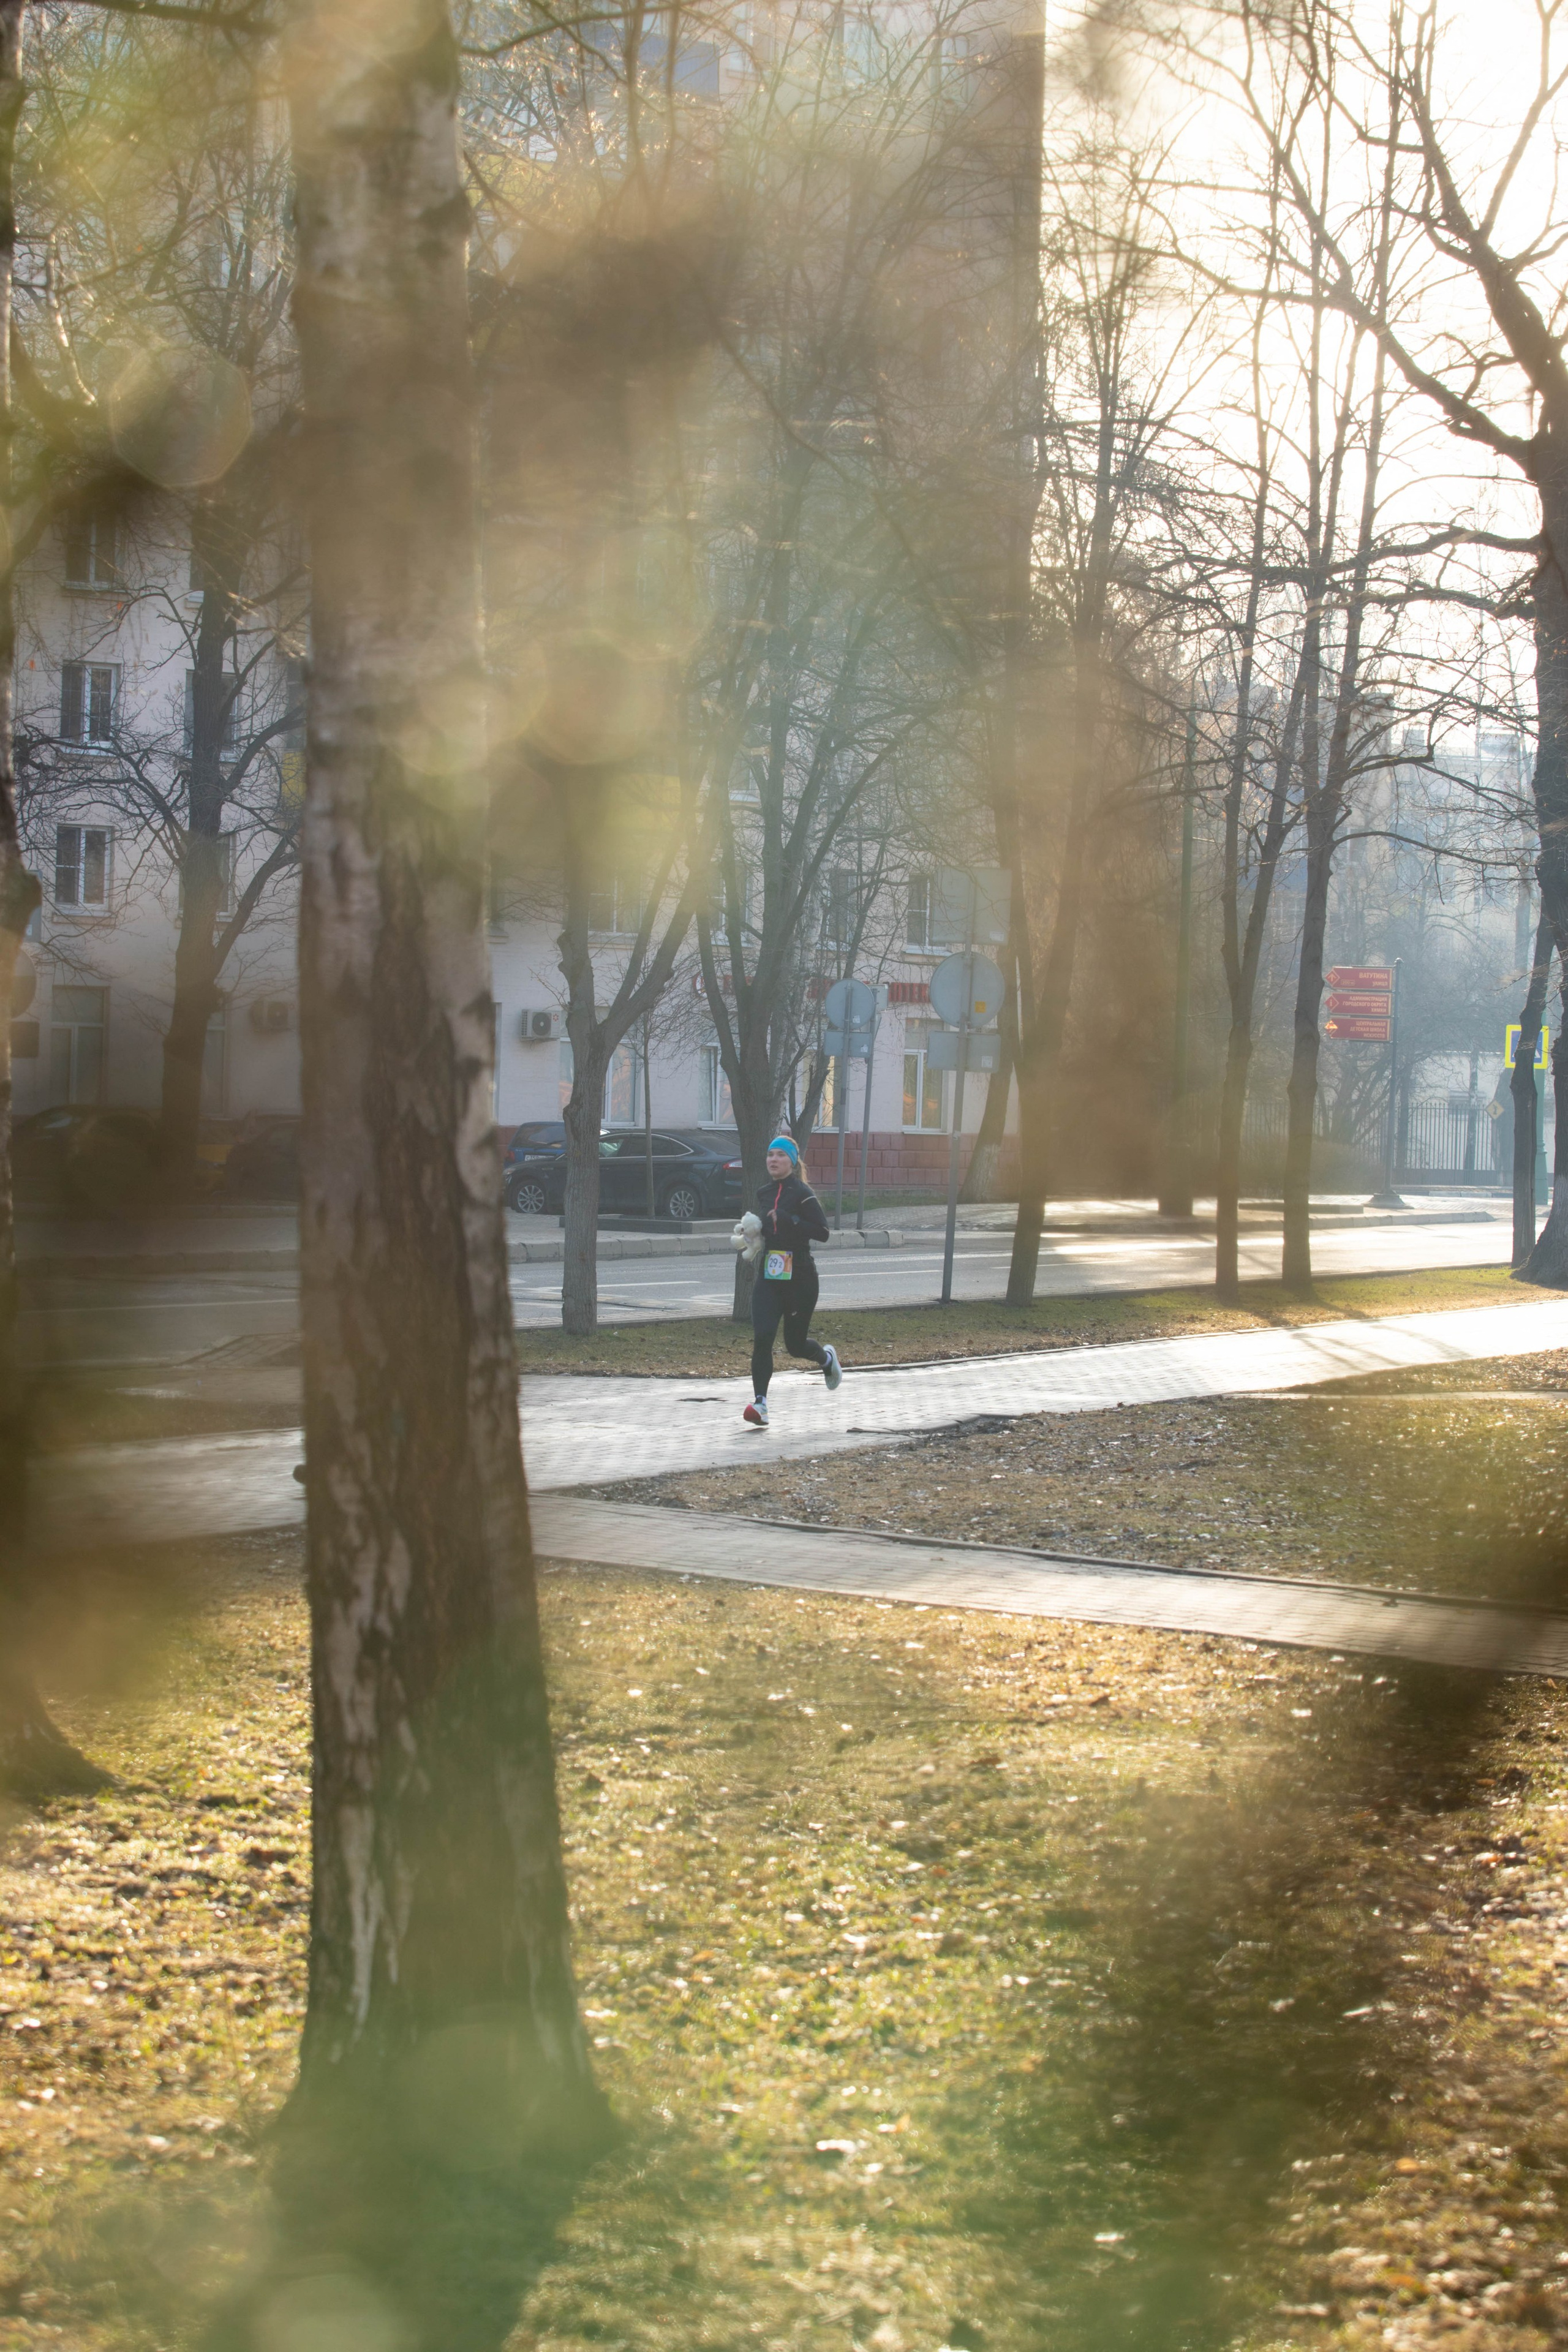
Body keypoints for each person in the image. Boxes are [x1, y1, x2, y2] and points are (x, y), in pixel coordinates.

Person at [739, 1134, 842, 1428]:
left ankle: (827, 1360)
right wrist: (753, 1234)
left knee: (795, 1346)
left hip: (800, 1279)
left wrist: (790, 1220)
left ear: (792, 1162)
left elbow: (822, 1232)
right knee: (763, 1337)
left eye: (781, 1155)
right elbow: (770, 1229)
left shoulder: (802, 1193)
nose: (773, 1160)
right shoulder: (763, 1192)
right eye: (770, 1154)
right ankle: (760, 1405)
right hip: (770, 1276)